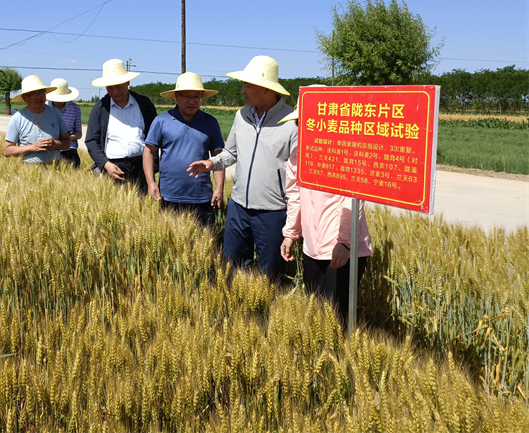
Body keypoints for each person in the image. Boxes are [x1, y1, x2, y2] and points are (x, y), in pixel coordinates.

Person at [187, 55, 297, 283]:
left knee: (272, 275)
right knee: (232, 270)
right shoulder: (241, 115)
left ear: (266, 89)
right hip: (238, 207)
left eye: (248, 84)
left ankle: (268, 318)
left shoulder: (291, 122)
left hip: (273, 211)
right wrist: (211, 163)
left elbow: (298, 173)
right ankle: (233, 315)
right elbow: (231, 153)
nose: (243, 90)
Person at [279, 96, 372, 324]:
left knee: (336, 316)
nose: (304, 127)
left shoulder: (346, 152)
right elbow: (295, 197)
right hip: (312, 247)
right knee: (316, 313)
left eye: (309, 121)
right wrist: (291, 234)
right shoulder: (297, 156)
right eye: (300, 122)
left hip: (341, 248)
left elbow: (353, 199)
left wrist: (345, 242)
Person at [143, 72, 225, 227]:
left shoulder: (211, 122)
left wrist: (219, 189)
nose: (191, 101)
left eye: (196, 97)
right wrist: (150, 183)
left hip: (201, 197)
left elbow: (218, 157)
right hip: (168, 196)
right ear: (176, 96)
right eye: (187, 96)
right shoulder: (161, 121)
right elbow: (148, 151)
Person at [85, 59, 158, 193]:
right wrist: (105, 164)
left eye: (118, 86)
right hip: (113, 168)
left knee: (142, 208)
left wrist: (152, 169)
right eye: (110, 87)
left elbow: (154, 137)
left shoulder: (144, 104)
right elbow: (91, 141)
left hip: (142, 167)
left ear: (128, 82)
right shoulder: (100, 108)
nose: (115, 91)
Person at [3, 75, 70, 164]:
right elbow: (7, 150)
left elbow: (66, 142)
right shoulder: (17, 118)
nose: (39, 96)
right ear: (24, 98)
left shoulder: (56, 113)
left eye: (42, 92)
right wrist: (32, 147)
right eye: (34, 93)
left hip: (56, 167)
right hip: (28, 169)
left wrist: (54, 144)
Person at [46, 78, 82, 168]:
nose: (59, 101)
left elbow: (79, 133)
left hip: (70, 152)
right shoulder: (44, 107)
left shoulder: (75, 108)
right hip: (49, 151)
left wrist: (67, 138)